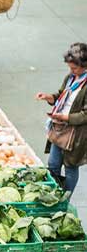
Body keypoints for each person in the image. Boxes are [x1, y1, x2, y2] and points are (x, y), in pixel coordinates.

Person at [40, 43, 87, 194]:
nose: (71, 71)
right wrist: (49, 97)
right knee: (53, 164)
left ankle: (65, 198)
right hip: (60, 128)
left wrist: (65, 117)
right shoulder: (71, 77)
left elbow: (85, 115)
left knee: (70, 167)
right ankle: (52, 195)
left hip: (76, 135)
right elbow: (61, 95)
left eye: (74, 68)